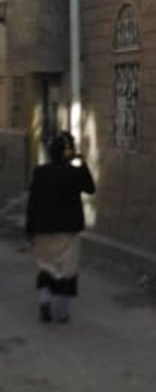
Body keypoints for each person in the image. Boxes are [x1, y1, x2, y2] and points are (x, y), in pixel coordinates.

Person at [25, 133, 96, 323]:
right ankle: (62, 312)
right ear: (67, 153)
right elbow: (90, 188)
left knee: (47, 267)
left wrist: (30, 229)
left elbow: (32, 202)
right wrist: (82, 164)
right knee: (66, 271)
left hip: (43, 230)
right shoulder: (73, 173)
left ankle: (44, 300)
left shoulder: (40, 172)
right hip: (67, 231)